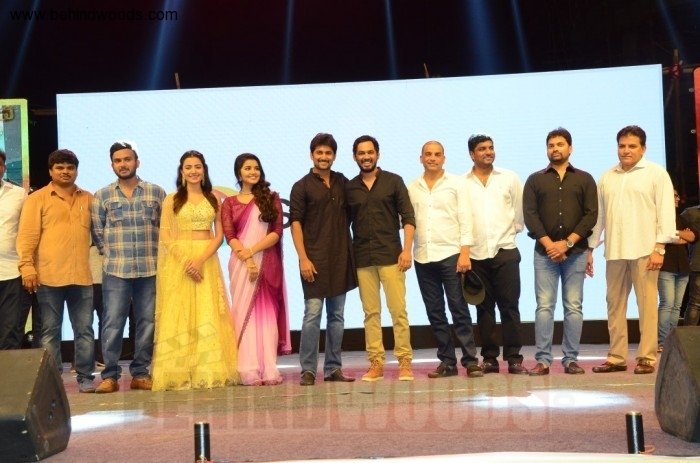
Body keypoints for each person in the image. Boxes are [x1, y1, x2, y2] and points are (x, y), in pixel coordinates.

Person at [589, 125, 675, 374]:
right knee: (614, 305)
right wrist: (590, 249)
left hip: (645, 251)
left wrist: (660, 247)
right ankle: (617, 357)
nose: (626, 150)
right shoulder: (607, 177)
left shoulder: (656, 174)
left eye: (632, 146)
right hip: (615, 251)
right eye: (622, 146)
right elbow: (599, 218)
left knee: (647, 306)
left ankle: (647, 357)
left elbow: (666, 212)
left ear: (643, 149)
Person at [151, 151, 238, 390]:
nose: (193, 171)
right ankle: (179, 371)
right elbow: (165, 234)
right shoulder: (171, 199)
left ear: (204, 170)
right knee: (180, 312)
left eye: (197, 166)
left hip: (206, 258)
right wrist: (186, 261)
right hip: (179, 261)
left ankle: (207, 369)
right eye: (188, 167)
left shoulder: (214, 198)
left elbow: (219, 235)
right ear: (181, 171)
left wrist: (199, 260)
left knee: (207, 310)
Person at [16, 149, 96, 392]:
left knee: (85, 330)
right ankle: (53, 381)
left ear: (76, 171)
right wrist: (27, 267)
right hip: (48, 277)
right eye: (60, 168)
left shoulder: (89, 199)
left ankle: (85, 377)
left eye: (70, 168)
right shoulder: (37, 199)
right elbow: (27, 237)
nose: (65, 172)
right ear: (51, 171)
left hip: (81, 276)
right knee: (50, 331)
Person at [91, 141, 166, 393]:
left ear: (137, 162)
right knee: (112, 323)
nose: (123, 164)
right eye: (118, 161)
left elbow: (165, 230)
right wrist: (111, 254)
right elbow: (98, 232)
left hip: (150, 268)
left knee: (147, 322)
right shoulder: (103, 195)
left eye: (127, 159)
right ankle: (110, 376)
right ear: (112, 165)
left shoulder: (156, 192)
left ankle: (140, 373)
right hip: (116, 270)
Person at [523, 128, 598, 376]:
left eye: (560, 144)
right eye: (551, 145)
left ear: (570, 148)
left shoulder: (585, 179)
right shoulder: (535, 180)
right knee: (544, 306)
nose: (555, 149)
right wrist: (551, 246)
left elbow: (591, 215)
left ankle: (571, 360)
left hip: (575, 253)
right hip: (544, 254)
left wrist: (567, 244)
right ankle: (543, 360)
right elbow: (530, 216)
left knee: (573, 306)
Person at [407, 140, 483, 378]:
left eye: (437, 154)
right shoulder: (412, 186)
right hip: (423, 256)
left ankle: (471, 361)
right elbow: (408, 221)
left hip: (451, 255)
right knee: (435, 312)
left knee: (459, 308)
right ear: (421, 158)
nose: (432, 158)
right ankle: (447, 362)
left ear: (444, 158)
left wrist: (465, 252)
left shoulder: (457, 183)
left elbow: (465, 218)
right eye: (428, 154)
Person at [346, 135, 416, 381]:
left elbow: (408, 217)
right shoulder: (350, 188)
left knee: (398, 312)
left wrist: (407, 250)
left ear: (377, 154)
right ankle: (376, 363)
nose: (366, 157)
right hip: (363, 259)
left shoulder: (394, 181)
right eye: (361, 153)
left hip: (392, 256)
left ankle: (404, 362)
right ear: (355, 156)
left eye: (370, 152)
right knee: (371, 314)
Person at [290, 133, 357, 386]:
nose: (323, 157)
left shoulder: (342, 182)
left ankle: (333, 369)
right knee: (312, 315)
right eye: (319, 152)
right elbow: (296, 224)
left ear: (334, 156)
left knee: (337, 316)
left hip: (340, 258)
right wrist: (303, 259)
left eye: (328, 153)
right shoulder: (301, 186)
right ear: (311, 155)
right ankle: (308, 370)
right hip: (313, 260)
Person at [222, 153, 291, 386]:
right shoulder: (229, 203)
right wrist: (247, 259)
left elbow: (276, 232)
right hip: (240, 265)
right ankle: (248, 368)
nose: (253, 172)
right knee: (243, 314)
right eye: (247, 168)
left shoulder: (271, 198)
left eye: (256, 168)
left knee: (267, 316)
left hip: (267, 263)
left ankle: (269, 368)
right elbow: (230, 235)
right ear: (238, 173)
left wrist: (252, 252)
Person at [464, 134, 528, 375]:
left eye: (491, 148)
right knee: (483, 309)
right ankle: (489, 358)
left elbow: (519, 213)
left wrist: (509, 233)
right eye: (482, 149)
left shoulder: (509, 178)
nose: (488, 152)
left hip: (505, 251)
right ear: (472, 154)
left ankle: (514, 358)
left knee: (510, 307)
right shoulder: (462, 183)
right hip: (476, 254)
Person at [657, 189, 691, 351]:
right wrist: (678, 237)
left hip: (683, 266)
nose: (678, 198)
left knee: (677, 306)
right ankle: (663, 341)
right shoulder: (658, 218)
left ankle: (672, 341)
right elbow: (663, 237)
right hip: (666, 266)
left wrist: (674, 233)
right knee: (667, 304)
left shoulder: (681, 217)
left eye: (678, 195)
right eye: (675, 196)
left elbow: (691, 237)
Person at [0, 149, 27, 349]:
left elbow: (27, 231)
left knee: (10, 330)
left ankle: (8, 370)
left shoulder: (18, 194)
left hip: (11, 271)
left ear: (4, 167)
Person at [680, 205, 700, 326]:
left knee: (695, 303)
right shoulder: (690, 213)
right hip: (698, 264)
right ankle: (688, 335)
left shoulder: (690, 212)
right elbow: (674, 227)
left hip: (697, 263)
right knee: (696, 303)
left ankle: (689, 335)